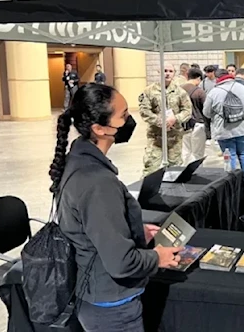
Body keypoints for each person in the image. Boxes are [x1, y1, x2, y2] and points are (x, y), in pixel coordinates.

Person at [52, 83, 182, 331]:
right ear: (100, 129)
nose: (130, 120)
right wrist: (157, 257)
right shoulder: (98, 183)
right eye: (123, 116)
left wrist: (134, 230)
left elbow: (93, 227)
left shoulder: (81, 161)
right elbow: (121, 262)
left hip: (97, 294)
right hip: (111, 305)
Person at [203, 68, 244, 189]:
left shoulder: (214, 92)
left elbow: (206, 112)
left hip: (224, 130)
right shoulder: (242, 88)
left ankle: (232, 181)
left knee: (229, 155)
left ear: (217, 78)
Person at [138, 62, 192, 176]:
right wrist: (159, 121)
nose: (167, 74)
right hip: (156, 136)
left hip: (174, 136)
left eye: (170, 71)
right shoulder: (149, 91)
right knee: (151, 167)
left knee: (175, 167)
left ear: (174, 73)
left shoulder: (180, 92)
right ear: (159, 72)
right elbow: (144, 111)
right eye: (165, 71)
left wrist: (175, 118)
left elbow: (187, 110)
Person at [180, 68, 207, 164]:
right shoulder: (199, 92)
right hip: (198, 124)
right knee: (198, 153)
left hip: (183, 124)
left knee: (185, 152)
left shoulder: (179, 89)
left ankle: (185, 172)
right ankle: (197, 172)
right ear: (199, 78)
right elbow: (206, 109)